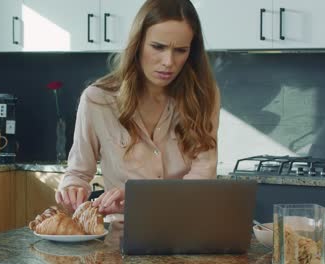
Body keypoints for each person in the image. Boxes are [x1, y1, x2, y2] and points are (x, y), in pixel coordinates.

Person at [55, 0, 220, 215]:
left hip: (185, 225)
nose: (168, 61)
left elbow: (203, 179)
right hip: (122, 233)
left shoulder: (204, 96)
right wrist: (72, 189)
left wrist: (139, 196)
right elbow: (78, 172)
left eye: (180, 50)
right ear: (138, 43)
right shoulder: (98, 100)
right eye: (158, 47)